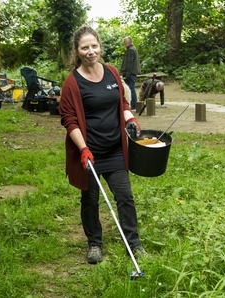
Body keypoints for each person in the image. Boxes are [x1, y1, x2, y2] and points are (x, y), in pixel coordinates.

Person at [59, 26, 148, 264]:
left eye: (94, 46)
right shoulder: (72, 83)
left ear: (100, 46)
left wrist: (130, 118)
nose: (90, 51)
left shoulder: (111, 71)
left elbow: (122, 102)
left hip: (115, 150)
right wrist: (84, 149)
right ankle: (95, 243)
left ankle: (134, 243)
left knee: (125, 196)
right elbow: (69, 120)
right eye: (84, 47)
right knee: (90, 200)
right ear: (77, 51)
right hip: (90, 154)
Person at [121, 36, 141, 110]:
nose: (124, 43)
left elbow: (130, 64)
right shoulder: (132, 49)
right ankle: (133, 105)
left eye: (125, 42)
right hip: (132, 73)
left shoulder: (131, 50)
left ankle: (133, 105)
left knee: (131, 89)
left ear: (129, 42)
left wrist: (127, 75)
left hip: (130, 73)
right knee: (131, 89)